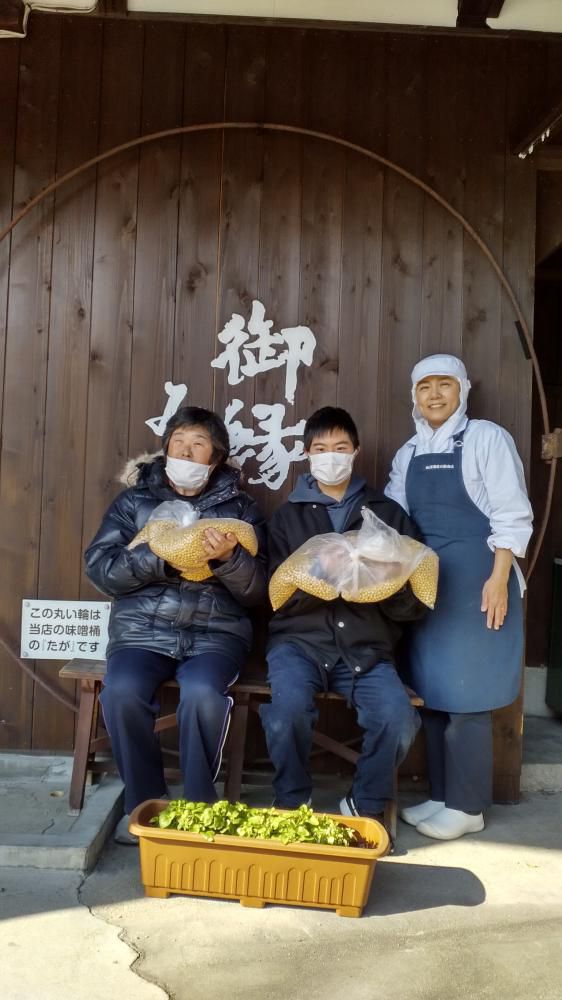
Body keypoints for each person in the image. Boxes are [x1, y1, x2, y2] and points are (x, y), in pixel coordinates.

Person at [85, 406, 266, 843]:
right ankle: (144, 802)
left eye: (198, 444)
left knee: (203, 695)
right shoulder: (133, 502)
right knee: (122, 692)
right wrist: (160, 557)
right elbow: (101, 569)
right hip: (142, 631)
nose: (187, 451)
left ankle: (198, 807)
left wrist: (228, 559)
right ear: (166, 448)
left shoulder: (240, 509)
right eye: (179, 442)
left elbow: (259, 591)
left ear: (216, 457)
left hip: (215, 635)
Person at [386, 354, 533, 840]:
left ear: (462, 389)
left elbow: (512, 513)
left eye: (443, 384)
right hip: (428, 585)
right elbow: (398, 522)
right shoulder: (407, 453)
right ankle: (442, 794)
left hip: (478, 580)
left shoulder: (486, 439)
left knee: (468, 694)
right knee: (434, 691)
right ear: (414, 395)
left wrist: (498, 578)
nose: (433, 394)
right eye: (424, 386)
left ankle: (468, 806)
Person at [260, 406, 426, 832]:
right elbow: (274, 598)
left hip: (366, 647)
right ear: (306, 455)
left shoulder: (387, 515)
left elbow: (414, 605)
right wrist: (320, 574)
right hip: (299, 645)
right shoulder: (286, 518)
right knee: (288, 711)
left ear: (356, 451)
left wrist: (384, 579)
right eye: (320, 448)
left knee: (398, 718)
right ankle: (292, 800)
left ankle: (365, 803)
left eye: (340, 447)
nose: (330, 456)